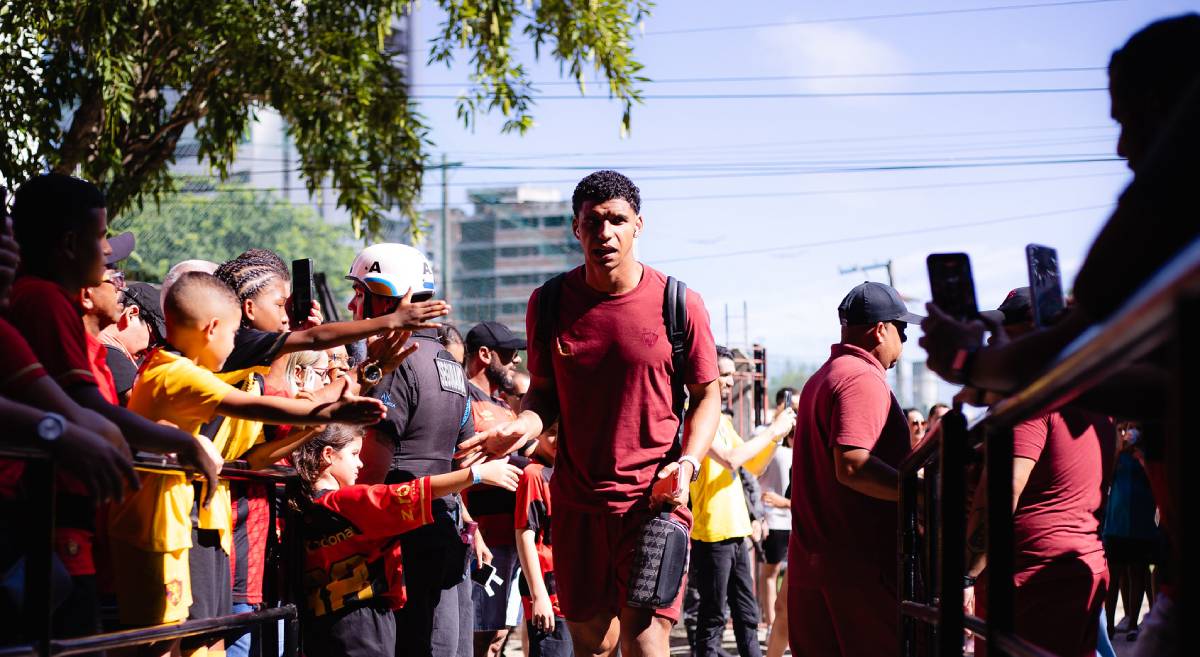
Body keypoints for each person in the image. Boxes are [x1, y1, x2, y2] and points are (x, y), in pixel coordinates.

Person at [457, 170, 723, 657]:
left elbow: (707, 394)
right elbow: (542, 396)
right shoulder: (550, 302)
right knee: (593, 644)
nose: (605, 233)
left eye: (617, 220)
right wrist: (521, 427)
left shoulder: (679, 302)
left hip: (653, 505)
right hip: (576, 507)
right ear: (576, 228)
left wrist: (686, 464)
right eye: (593, 221)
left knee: (645, 642)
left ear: (638, 225)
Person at [108, 271, 386, 635]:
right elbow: (255, 407)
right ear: (214, 328)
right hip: (164, 523)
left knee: (206, 637)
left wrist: (326, 413)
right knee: (163, 641)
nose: (285, 318)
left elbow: (258, 448)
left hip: (196, 521)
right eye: (235, 332)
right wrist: (331, 411)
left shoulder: (210, 370)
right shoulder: (174, 371)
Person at [5, 174, 223, 638]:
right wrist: (181, 442)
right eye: (101, 237)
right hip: (52, 513)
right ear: (69, 244)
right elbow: (84, 408)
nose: (107, 256)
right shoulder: (42, 299)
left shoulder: (43, 301)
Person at [964, 289, 1116, 657]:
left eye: (1004, 333)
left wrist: (964, 575)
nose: (993, 342)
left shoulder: (1032, 396)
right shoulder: (1093, 392)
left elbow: (1003, 488)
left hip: (1031, 575)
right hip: (1079, 565)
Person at [344, 243, 478, 657]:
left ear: (387, 297)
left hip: (399, 531)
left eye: (361, 292)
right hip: (443, 522)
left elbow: (373, 466)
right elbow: (468, 449)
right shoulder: (450, 362)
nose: (352, 303)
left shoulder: (395, 361)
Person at [293, 424, 521, 657]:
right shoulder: (348, 501)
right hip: (363, 624)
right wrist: (476, 475)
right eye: (354, 454)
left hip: (320, 625)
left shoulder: (302, 508)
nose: (360, 463)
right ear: (328, 455)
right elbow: (409, 493)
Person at [789, 281, 920, 657]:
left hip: (817, 571)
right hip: (858, 574)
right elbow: (852, 466)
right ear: (880, 330)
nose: (904, 342)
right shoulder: (861, 378)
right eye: (903, 331)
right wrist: (921, 491)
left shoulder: (823, 376)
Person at [690, 346, 795, 657]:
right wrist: (773, 430)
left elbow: (753, 465)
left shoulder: (721, 420)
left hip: (736, 532)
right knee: (713, 617)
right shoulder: (697, 415)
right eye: (724, 375)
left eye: (731, 376)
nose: (729, 382)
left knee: (747, 616)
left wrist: (776, 436)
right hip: (712, 533)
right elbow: (733, 459)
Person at [461, 321, 529, 657]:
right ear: (485, 355)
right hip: (484, 540)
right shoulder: (462, 400)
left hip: (514, 537)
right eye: (508, 353)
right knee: (480, 632)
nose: (515, 360)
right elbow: (455, 470)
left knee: (500, 633)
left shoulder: (504, 407)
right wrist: (473, 533)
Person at [513, 430, 570, 657]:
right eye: (552, 433)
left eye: (563, 430)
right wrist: (539, 596)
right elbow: (525, 534)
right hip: (549, 596)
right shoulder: (534, 474)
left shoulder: (577, 472)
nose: (558, 439)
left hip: (578, 598)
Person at [1103, 423, 1159, 641]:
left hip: (1141, 525)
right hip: (1116, 524)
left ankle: (1133, 623)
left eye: (1134, 428)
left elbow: (1156, 481)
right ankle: (1108, 625)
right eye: (1125, 428)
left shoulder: (1147, 454)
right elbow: (1106, 478)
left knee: (1137, 573)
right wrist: (1118, 451)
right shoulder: (1117, 455)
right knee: (1113, 577)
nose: (1129, 432)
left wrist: (1141, 457)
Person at [757, 388, 796, 632]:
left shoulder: (801, 444)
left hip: (795, 520)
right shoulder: (768, 438)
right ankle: (772, 623)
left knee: (789, 575)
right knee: (770, 571)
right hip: (773, 519)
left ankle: (781, 623)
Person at [101, 281, 165, 404]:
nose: (150, 350)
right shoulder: (109, 353)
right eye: (153, 340)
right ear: (131, 314)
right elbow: (147, 406)